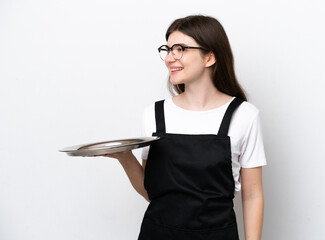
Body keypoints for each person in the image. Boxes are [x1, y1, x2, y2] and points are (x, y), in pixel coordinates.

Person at [104, 15, 266, 240]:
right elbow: (152, 193)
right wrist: (124, 157)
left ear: (209, 57)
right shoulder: (154, 114)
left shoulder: (244, 116)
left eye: (180, 49)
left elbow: (252, 195)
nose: (170, 58)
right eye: (168, 49)